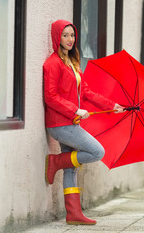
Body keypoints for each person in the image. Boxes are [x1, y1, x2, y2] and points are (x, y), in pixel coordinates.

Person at [43, 19, 124, 225]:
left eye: (72, 35)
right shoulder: (52, 63)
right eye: (65, 35)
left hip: (71, 121)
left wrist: (111, 105)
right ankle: (55, 162)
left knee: (72, 167)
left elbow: (85, 92)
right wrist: (74, 110)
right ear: (57, 37)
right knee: (97, 151)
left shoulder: (71, 62)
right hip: (60, 124)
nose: (70, 39)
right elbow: (50, 97)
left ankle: (73, 214)